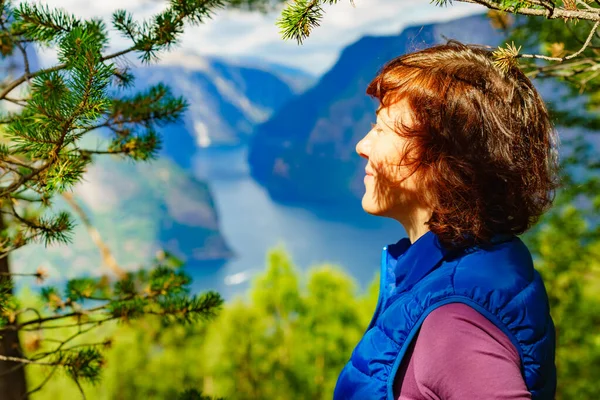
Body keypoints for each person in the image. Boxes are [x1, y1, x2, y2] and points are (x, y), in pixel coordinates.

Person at [333, 40, 558, 400]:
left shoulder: (456, 319)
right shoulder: (470, 268)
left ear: (445, 159)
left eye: (382, 129)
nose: (362, 145)